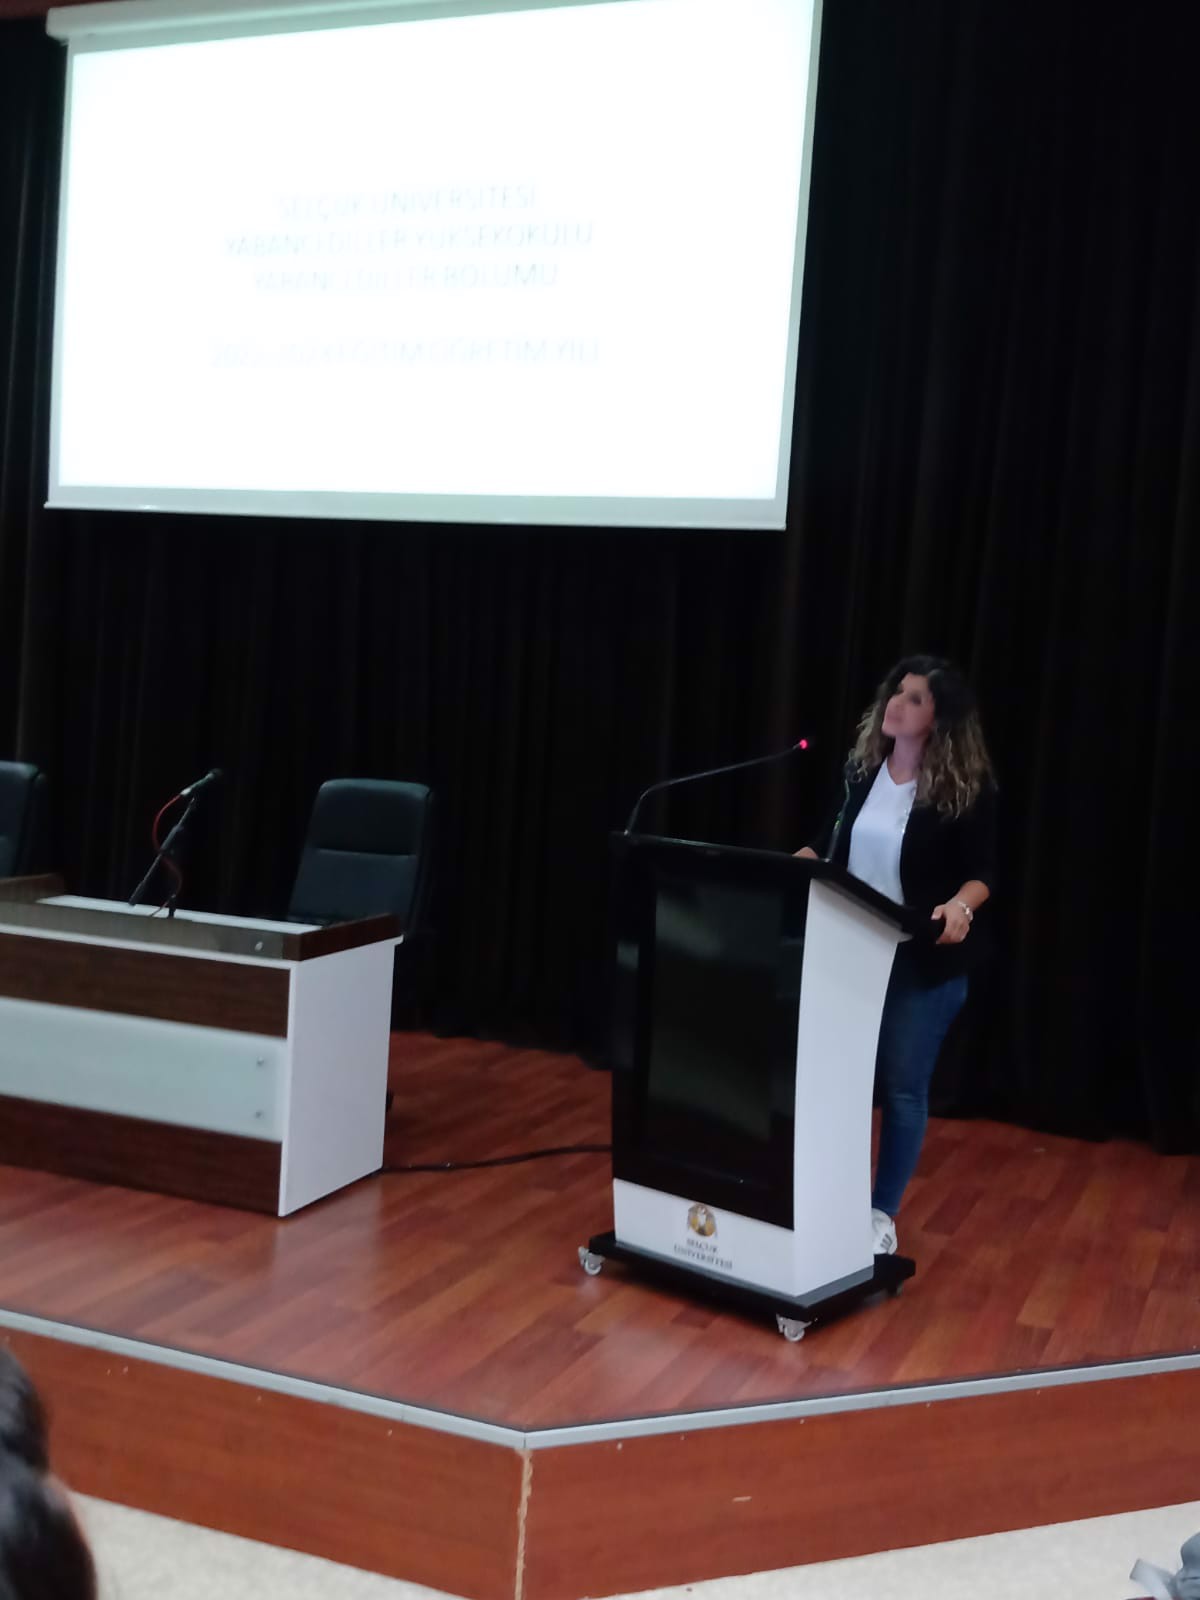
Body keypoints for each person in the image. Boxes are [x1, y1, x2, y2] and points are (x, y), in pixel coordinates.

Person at [796, 655, 997, 1256]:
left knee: (903, 1090)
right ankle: (825, 1198)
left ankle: (881, 1214)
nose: (897, 704)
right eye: (896, 692)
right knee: (835, 1082)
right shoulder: (862, 772)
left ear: (940, 719)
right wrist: (793, 864)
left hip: (919, 960)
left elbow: (983, 874)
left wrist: (960, 906)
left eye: (915, 698)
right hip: (849, 949)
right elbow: (827, 844)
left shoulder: (963, 790)